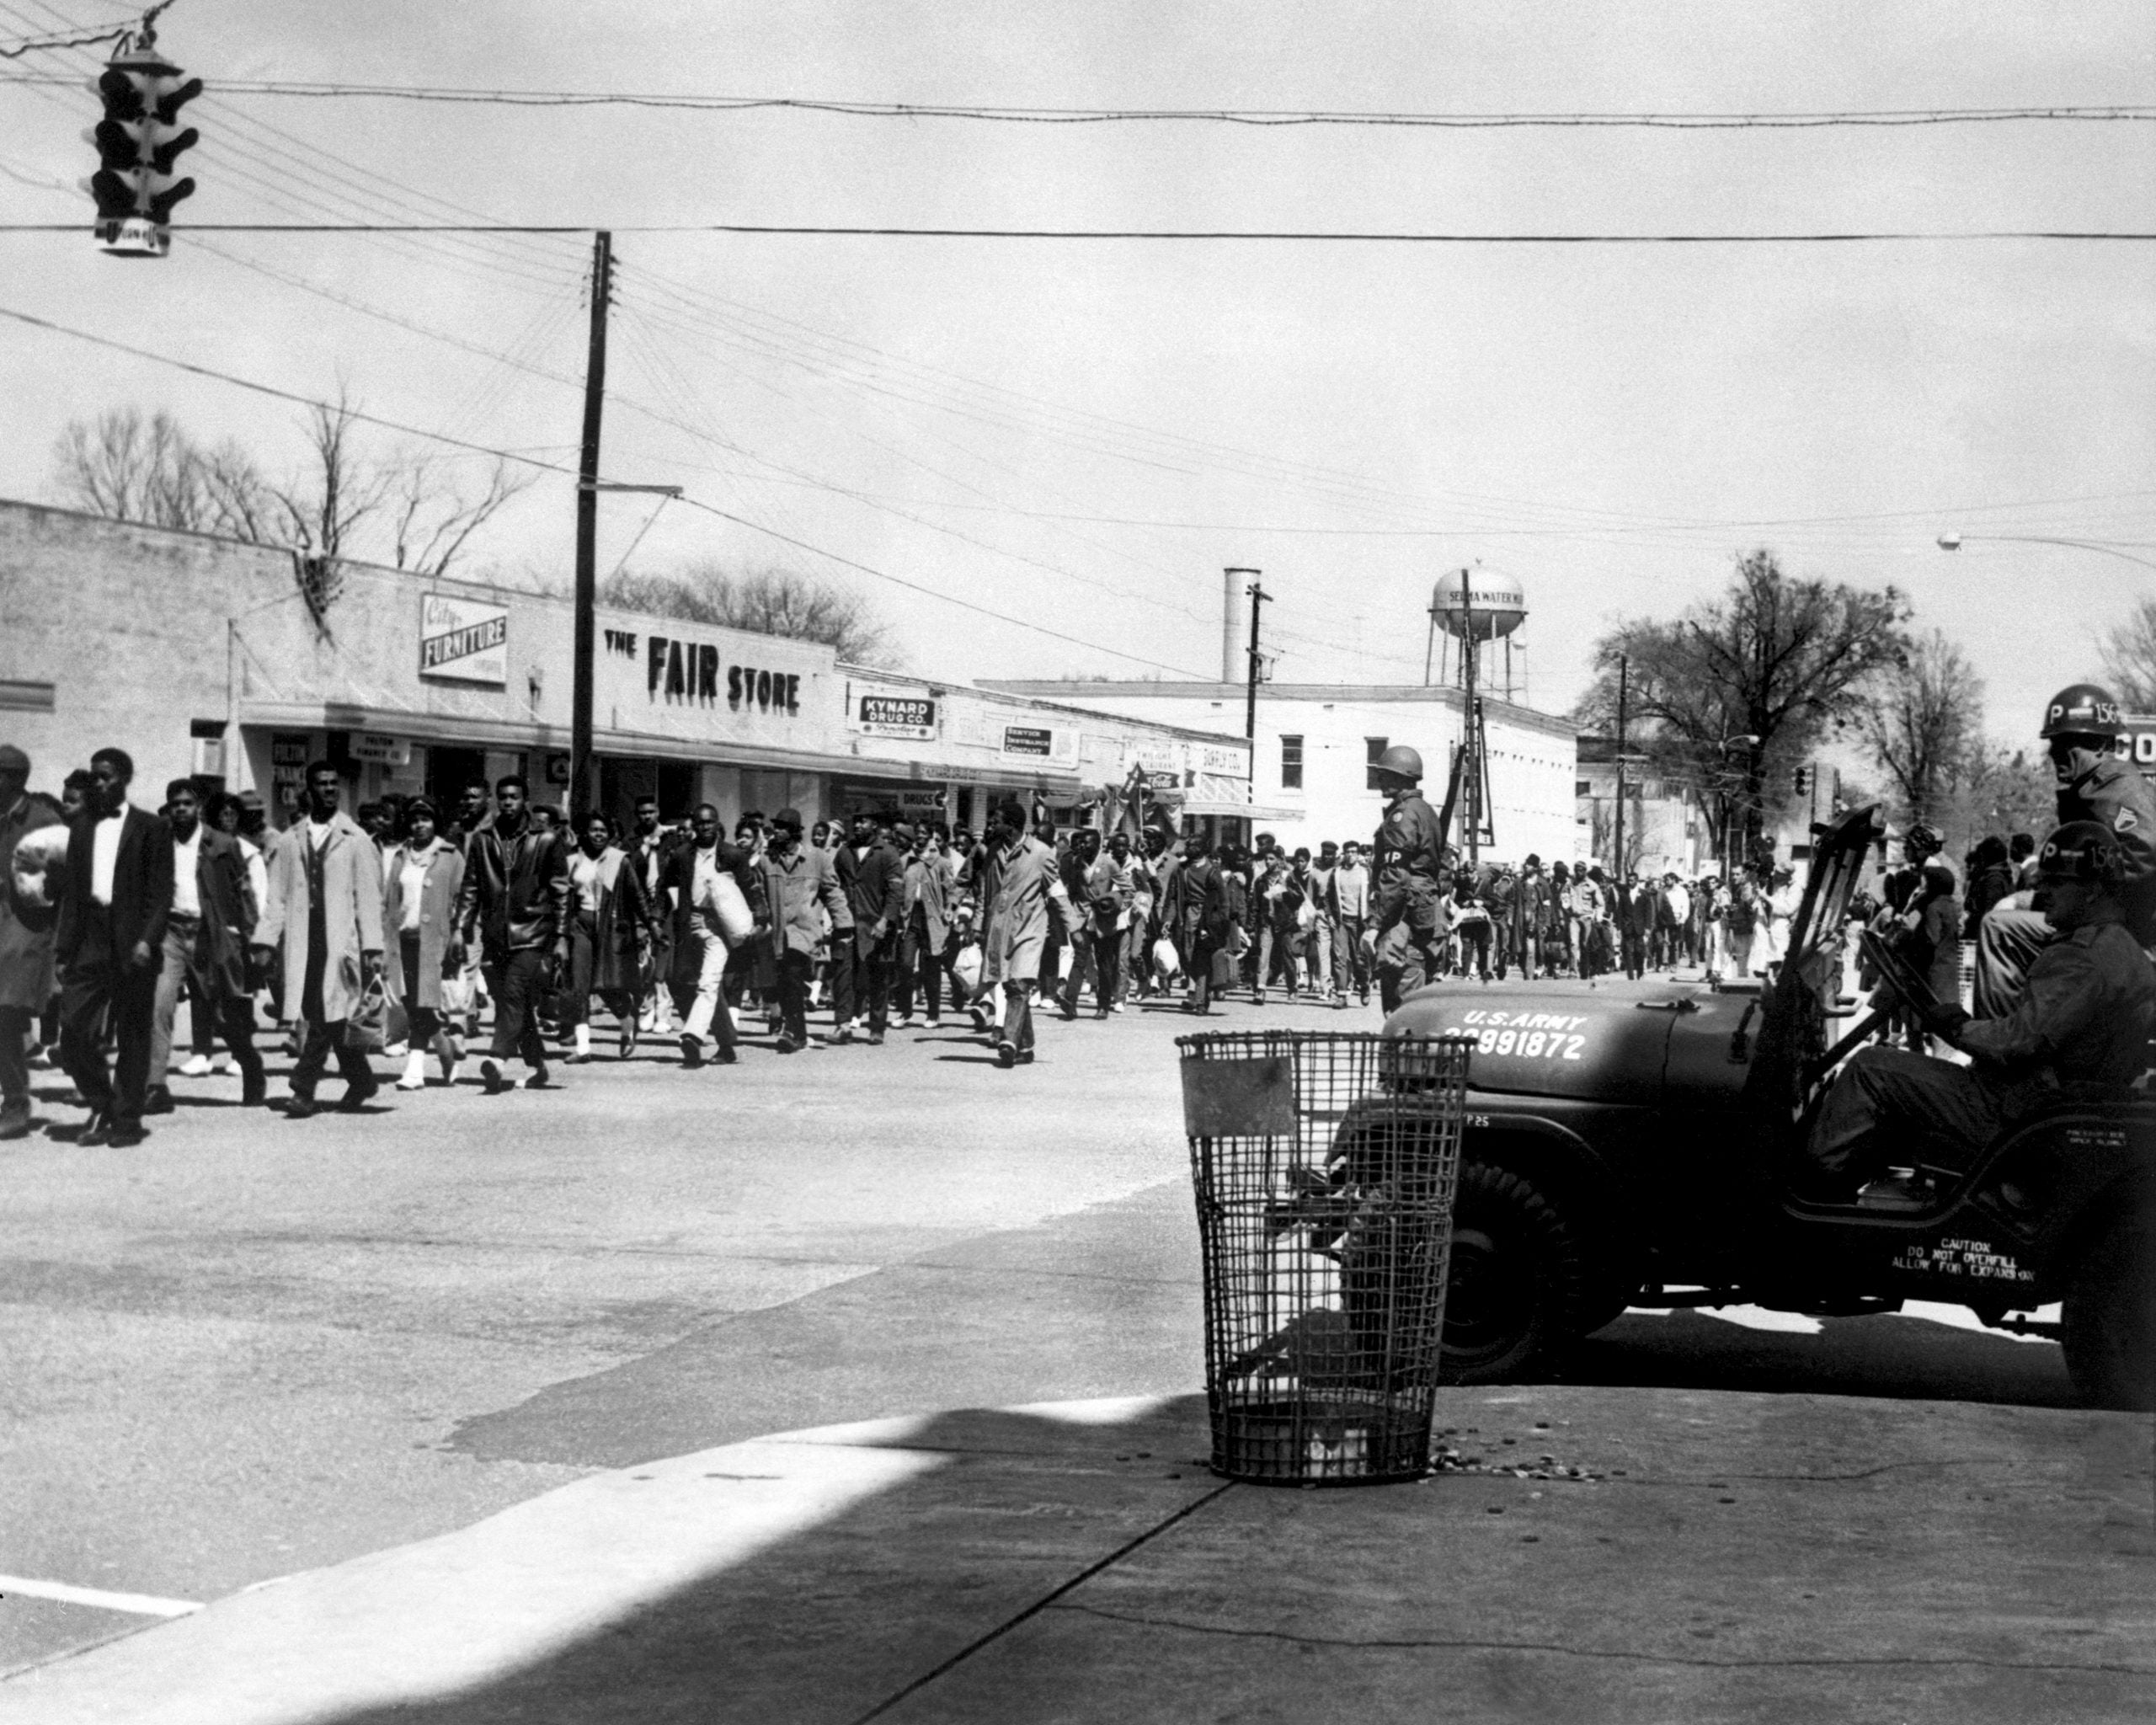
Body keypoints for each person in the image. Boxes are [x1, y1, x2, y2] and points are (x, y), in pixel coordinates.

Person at [1801, 822, 2156, 1202]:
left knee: (1870, 1068)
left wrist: (1959, 1027)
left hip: (2018, 1114)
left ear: (2094, 889)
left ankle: (1812, 1196)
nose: (2042, 891)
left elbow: (2017, 1043)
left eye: (2056, 882)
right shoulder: (2121, 950)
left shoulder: (2082, 959)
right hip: (2049, 1108)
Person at [1977, 684, 2156, 1017]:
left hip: (2134, 939)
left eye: (2068, 743)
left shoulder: (2116, 786)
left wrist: (2083, 900)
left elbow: (2148, 851)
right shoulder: (2094, 788)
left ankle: (1997, 1055)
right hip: (2114, 931)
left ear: (2103, 744)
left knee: (1999, 930)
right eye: (2053, 743)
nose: (2054, 753)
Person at [52, 748, 174, 1146]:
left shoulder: (151, 827)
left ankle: (125, 1120)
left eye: (106, 777)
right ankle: (101, 1100)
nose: (99, 784)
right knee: (71, 1033)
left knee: (133, 1034)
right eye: (95, 777)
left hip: (133, 940)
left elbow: (161, 894)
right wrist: (64, 950)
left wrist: (147, 940)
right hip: (91, 937)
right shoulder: (84, 827)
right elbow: (72, 892)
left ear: (125, 778)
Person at [253, 761, 385, 1118]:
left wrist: (373, 947)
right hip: (303, 941)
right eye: (321, 784)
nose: (329, 789)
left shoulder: (355, 839)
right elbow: (276, 896)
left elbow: (369, 898)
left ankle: (303, 1087)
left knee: (325, 1015)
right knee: (325, 1013)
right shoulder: (290, 839)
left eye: (333, 783)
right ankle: (361, 1080)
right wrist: (265, 941)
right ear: (308, 791)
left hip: (341, 942)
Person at [145, 778, 264, 1112]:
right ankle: (155, 1086)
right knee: (160, 1004)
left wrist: (251, 939)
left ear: (198, 807)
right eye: (174, 804)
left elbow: (243, 895)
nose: (180, 809)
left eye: (186, 803)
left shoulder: (223, 844)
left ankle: (250, 1065)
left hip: (210, 935)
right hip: (171, 932)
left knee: (223, 1016)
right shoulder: (158, 841)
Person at [453, 773, 569, 1093]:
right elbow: (471, 886)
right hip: (496, 934)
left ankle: (497, 1058)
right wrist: (461, 927)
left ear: (525, 801)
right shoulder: (482, 839)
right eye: (503, 797)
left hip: (534, 932)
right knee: (509, 1000)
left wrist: (560, 937)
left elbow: (561, 890)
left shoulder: (545, 839)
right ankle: (537, 1066)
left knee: (515, 993)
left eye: (514, 797)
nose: (507, 802)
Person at [659, 804, 760, 1068]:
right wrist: (657, 921)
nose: (705, 827)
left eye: (710, 822)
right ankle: (726, 1046)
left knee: (709, 983)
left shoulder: (733, 855)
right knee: (680, 983)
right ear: (694, 825)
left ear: (718, 824)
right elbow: (665, 888)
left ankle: (692, 1036)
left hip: (719, 927)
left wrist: (761, 920)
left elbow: (751, 889)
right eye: (700, 823)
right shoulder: (682, 855)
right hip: (688, 924)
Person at [0, 745, 65, 1140]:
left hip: (27, 931)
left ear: (10, 778)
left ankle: (17, 1104)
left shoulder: (44, 821)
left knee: (6, 1014)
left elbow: (63, 880)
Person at [973, 797, 1067, 1066]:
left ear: (1012, 826)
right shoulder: (992, 850)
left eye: (996, 822)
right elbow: (981, 888)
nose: (990, 826)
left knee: (1019, 983)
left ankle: (1009, 1042)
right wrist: (978, 922)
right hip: (1001, 928)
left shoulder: (1040, 852)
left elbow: (1057, 892)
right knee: (1010, 984)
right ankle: (1026, 1047)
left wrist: (1074, 927)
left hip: (1031, 927)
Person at [381, 798, 467, 1089]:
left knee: (421, 1003)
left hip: (433, 942)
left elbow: (463, 898)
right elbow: (388, 901)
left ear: (435, 822)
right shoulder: (400, 854)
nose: (420, 825)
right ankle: (445, 1052)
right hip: (400, 940)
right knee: (410, 1003)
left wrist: (459, 933)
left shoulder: (450, 855)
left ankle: (415, 1071)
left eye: (426, 819)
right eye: (415, 820)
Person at [559, 811, 657, 1062]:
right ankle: (583, 1048)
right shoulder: (572, 860)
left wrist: (651, 926)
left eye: (603, 831)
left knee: (607, 986)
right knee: (579, 985)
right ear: (586, 833)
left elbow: (638, 897)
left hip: (610, 929)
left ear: (610, 835)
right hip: (580, 926)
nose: (599, 835)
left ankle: (627, 1024)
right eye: (594, 830)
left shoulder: (619, 860)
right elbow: (561, 898)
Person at [759, 808, 847, 1053]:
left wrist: (843, 925)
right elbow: (757, 894)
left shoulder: (817, 858)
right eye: (776, 826)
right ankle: (798, 1033)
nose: (778, 831)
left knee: (793, 975)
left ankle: (792, 1031)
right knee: (785, 983)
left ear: (796, 832)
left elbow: (833, 892)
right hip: (776, 933)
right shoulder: (767, 860)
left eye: (784, 827)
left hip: (804, 930)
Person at [845, 815, 907, 1044]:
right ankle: (844, 1023)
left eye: (864, 821)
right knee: (848, 976)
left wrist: (885, 920)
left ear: (875, 825)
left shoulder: (888, 852)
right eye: (856, 821)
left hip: (878, 926)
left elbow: (896, 892)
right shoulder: (846, 851)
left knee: (879, 978)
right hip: (851, 923)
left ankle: (877, 1027)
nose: (858, 825)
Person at [1329, 839, 1372, 1007]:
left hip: (1359, 922)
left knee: (1358, 959)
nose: (1351, 855)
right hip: (1341, 920)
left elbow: (1373, 896)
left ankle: (1364, 986)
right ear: (1344, 854)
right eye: (1348, 852)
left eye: (1354, 852)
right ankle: (1341, 995)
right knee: (1339, 958)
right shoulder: (1337, 872)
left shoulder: (1365, 872)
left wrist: (1370, 918)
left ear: (1358, 854)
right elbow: (1328, 896)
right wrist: (1330, 915)